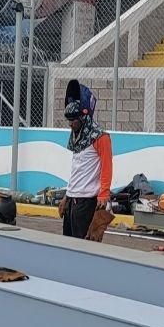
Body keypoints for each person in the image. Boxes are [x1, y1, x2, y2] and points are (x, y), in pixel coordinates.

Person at [60, 94, 112, 240]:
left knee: (84, 247)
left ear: (83, 118)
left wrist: (104, 194)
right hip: (72, 200)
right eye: (68, 120)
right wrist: (66, 196)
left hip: (86, 202)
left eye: (73, 120)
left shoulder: (100, 138)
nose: (70, 124)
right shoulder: (78, 138)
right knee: (67, 245)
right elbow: (77, 170)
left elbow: (107, 166)